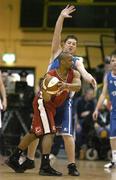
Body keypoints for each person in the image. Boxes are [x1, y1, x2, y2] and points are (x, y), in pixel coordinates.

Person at [20, 5, 97, 176]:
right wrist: (61, 16)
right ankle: (30, 160)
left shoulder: (76, 60)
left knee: (67, 134)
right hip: (48, 100)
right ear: (64, 44)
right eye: (69, 43)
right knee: (37, 131)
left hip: (64, 102)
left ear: (76, 48)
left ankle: (71, 165)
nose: (71, 45)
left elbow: (82, 71)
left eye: (74, 44)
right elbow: (57, 33)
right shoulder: (56, 53)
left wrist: (89, 77)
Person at [6, 52, 81, 176]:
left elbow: (78, 86)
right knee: (50, 132)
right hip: (43, 104)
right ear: (62, 62)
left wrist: (66, 86)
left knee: (35, 133)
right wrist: (52, 89)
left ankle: (14, 158)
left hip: (52, 107)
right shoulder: (50, 76)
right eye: (69, 61)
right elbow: (46, 99)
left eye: (72, 60)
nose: (72, 63)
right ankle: (45, 166)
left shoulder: (74, 73)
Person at [93, 53, 116, 168]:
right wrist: (96, 109)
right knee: (112, 134)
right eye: (113, 60)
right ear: (110, 63)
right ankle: (114, 160)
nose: (115, 62)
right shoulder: (108, 76)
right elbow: (103, 94)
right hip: (114, 111)